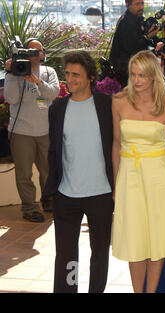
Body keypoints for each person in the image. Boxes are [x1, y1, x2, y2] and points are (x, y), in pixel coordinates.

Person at [111, 50, 165, 293]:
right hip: (129, 176)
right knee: (135, 239)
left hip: (160, 179)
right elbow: (116, 143)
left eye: (142, 75)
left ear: (154, 76)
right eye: (133, 75)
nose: (137, 80)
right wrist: (116, 182)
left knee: (157, 239)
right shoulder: (119, 101)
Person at [43, 51, 113, 293]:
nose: (69, 79)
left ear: (91, 78)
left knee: (100, 253)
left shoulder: (107, 105)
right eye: (67, 74)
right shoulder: (58, 108)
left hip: (101, 193)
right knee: (66, 256)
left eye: (76, 75)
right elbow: (54, 150)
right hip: (66, 194)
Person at [4, 38, 60, 223]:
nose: (37, 54)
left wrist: (36, 80)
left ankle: (49, 200)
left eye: (40, 50)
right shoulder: (16, 71)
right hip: (21, 131)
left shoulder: (49, 71)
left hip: (45, 130)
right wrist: (12, 73)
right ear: (23, 52)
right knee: (24, 173)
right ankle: (29, 208)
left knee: (48, 170)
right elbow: (11, 99)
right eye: (32, 50)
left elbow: (53, 93)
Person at [109, 0, 159, 88]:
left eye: (142, 3)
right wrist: (147, 37)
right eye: (137, 4)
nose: (141, 7)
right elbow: (132, 48)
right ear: (127, 5)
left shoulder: (136, 19)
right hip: (126, 71)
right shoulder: (126, 22)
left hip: (132, 68)